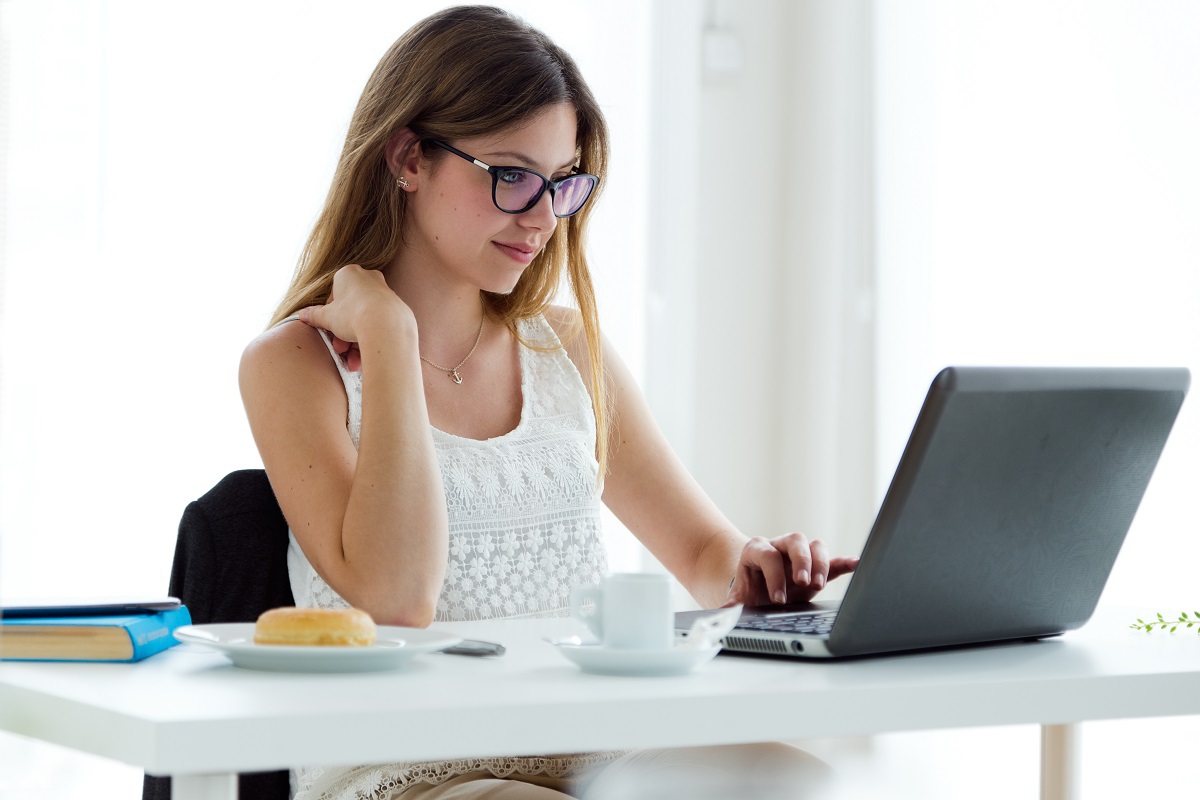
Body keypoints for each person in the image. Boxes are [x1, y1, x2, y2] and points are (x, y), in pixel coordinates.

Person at [240, 6, 858, 799]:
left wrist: (760, 575)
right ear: (407, 159)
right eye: (511, 176)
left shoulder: (564, 349)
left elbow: (706, 559)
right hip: (409, 771)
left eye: (562, 183)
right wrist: (389, 340)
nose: (541, 216)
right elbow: (397, 600)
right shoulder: (294, 365)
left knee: (802, 784)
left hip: (590, 753)